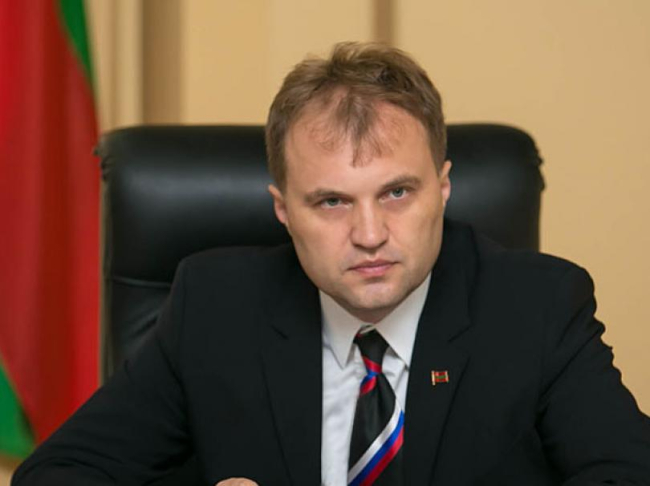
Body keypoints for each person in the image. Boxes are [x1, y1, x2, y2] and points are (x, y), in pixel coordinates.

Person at [12, 42, 650, 486]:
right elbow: (57, 475)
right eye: (331, 201)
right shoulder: (215, 305)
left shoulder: (538, 308)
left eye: (397, 193)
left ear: (444, 188)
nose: (369, 235)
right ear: (283, 210)